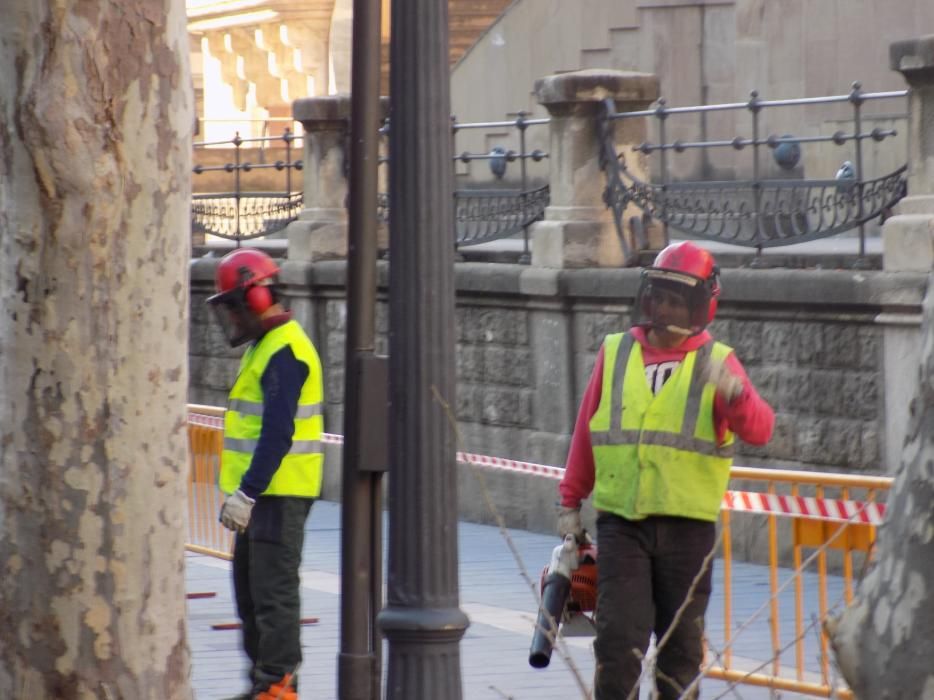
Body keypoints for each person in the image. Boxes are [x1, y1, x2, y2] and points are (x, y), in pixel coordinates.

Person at [557, 241, 774, 700]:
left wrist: (736, 393)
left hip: (687, 532)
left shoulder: (718, 362)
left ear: (701, 305)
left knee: (680, 655)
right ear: (647, 297)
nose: (667, 308)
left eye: (679, 300)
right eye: (661, 296)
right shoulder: (615, 353)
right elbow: (586, 433)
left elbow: (760, 430)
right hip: (623, 527)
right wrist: (569, 503)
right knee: (618, 645)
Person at [207, 248, 325, 700]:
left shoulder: (286, 350)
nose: (232, 320)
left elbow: (278, 430)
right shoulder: (266, 347)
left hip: (277, 494)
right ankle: (263, 681)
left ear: (256, 298)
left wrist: (248, 493)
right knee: (249, 594)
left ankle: (279, 686)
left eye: (234, 307)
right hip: (258, 495)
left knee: (273, 595)